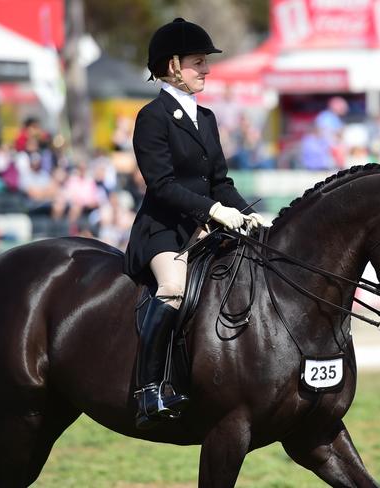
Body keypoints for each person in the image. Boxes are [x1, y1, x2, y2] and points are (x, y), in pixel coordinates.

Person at [123, 18, 266, 429]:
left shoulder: (207, 118)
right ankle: (149, 389)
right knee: (173, 288)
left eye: (206, 63)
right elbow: (162, 185)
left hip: (207, 226)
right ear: (172, 66)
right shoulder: (152, 117)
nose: (206, 70)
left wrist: (247, 213)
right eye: (198, 62)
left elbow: (221, 181)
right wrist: (213, 211)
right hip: (165, 230)